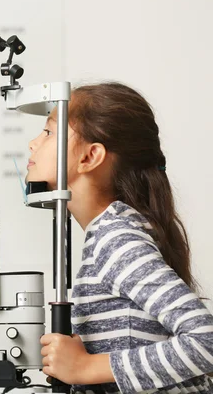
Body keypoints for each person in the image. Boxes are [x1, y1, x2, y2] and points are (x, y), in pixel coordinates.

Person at [33, 82, 213, 393]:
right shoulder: (108, 233)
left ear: (90, 157)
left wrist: (86, 367)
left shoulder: (115, 238)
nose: (33, 144)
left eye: (48, 132)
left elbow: (206, 341)